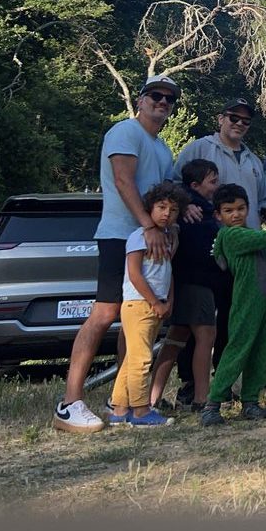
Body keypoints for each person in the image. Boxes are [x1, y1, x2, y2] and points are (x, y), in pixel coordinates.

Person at [53, 74, 179, 434]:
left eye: (169, 100)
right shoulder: (125, 132)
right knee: (105, 313)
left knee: (135, 321)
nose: (163, 102)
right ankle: (70, 402)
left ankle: (122, 401)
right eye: (156, 95)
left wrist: (172, 224)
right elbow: (124, 180)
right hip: (121, 237)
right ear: (140, 100)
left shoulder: (163, 147)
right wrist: (148, 227)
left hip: (150, 240)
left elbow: (164, 196)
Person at [199, 183, 266, 427]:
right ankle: (212, 404)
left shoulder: (252, 238)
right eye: (228, 210)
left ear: (248, 209)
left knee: (261, 351)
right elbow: (265, 238)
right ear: (218, 215)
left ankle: (251, 401)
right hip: (246, 301)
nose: (235, 214)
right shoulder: (232, 235)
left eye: (240, 208)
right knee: (238, 349)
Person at [108, 181, 189, 427]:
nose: (166, 214)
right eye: (161, 207)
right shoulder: (139, 237)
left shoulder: (165, 237)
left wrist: (168, 301)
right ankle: (141, 410)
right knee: (142, 360)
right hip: (139, 304)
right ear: (149, 208)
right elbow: (134, 274)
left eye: (173, 210)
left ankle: (119, 409)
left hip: (156, 305)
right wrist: (154, 301)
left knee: (133, 357)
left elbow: (167, 271)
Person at [149, 159, 227, 413]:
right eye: (212, 181)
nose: (217, 186)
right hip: (196, 280)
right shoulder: (194, 210)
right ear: (195, 184)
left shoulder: (192, 207)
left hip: (181, 281)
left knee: (176, 338)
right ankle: (202, 398)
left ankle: (153, 396)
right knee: (206, 335)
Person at [174, 97, 266, 228]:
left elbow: (264, 203)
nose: (240, 123)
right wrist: (185, 204)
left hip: (248, 241)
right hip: (208, 238)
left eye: (246, 121)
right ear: (221, 119)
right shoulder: (199, 148)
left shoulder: (255, 161)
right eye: (234, 118)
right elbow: (174, 183)